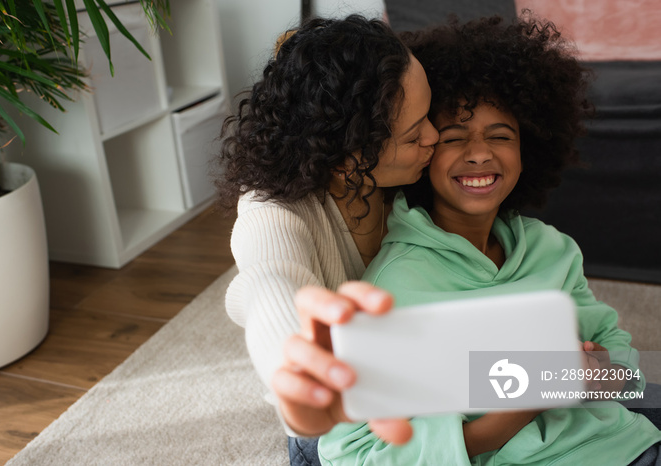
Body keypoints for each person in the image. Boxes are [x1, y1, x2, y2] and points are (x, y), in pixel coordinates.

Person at [282, 14, 661, 466]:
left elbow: (624, 364)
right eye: (454, 138)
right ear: (423, 153)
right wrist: (528, 399)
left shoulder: (552, 249)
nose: (479, 153)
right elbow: (355, 451)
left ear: (530, 147)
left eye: (500, 136)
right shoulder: (393, 286)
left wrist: (598, 376)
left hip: (623, 445)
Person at [216, 14, 438, 465]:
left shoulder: (413, 183)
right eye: (415, 134)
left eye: (429, 117)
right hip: (342, 424)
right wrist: (296, 372)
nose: (435, 137)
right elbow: (269, 282)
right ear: (346, 153)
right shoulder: (273, 207)